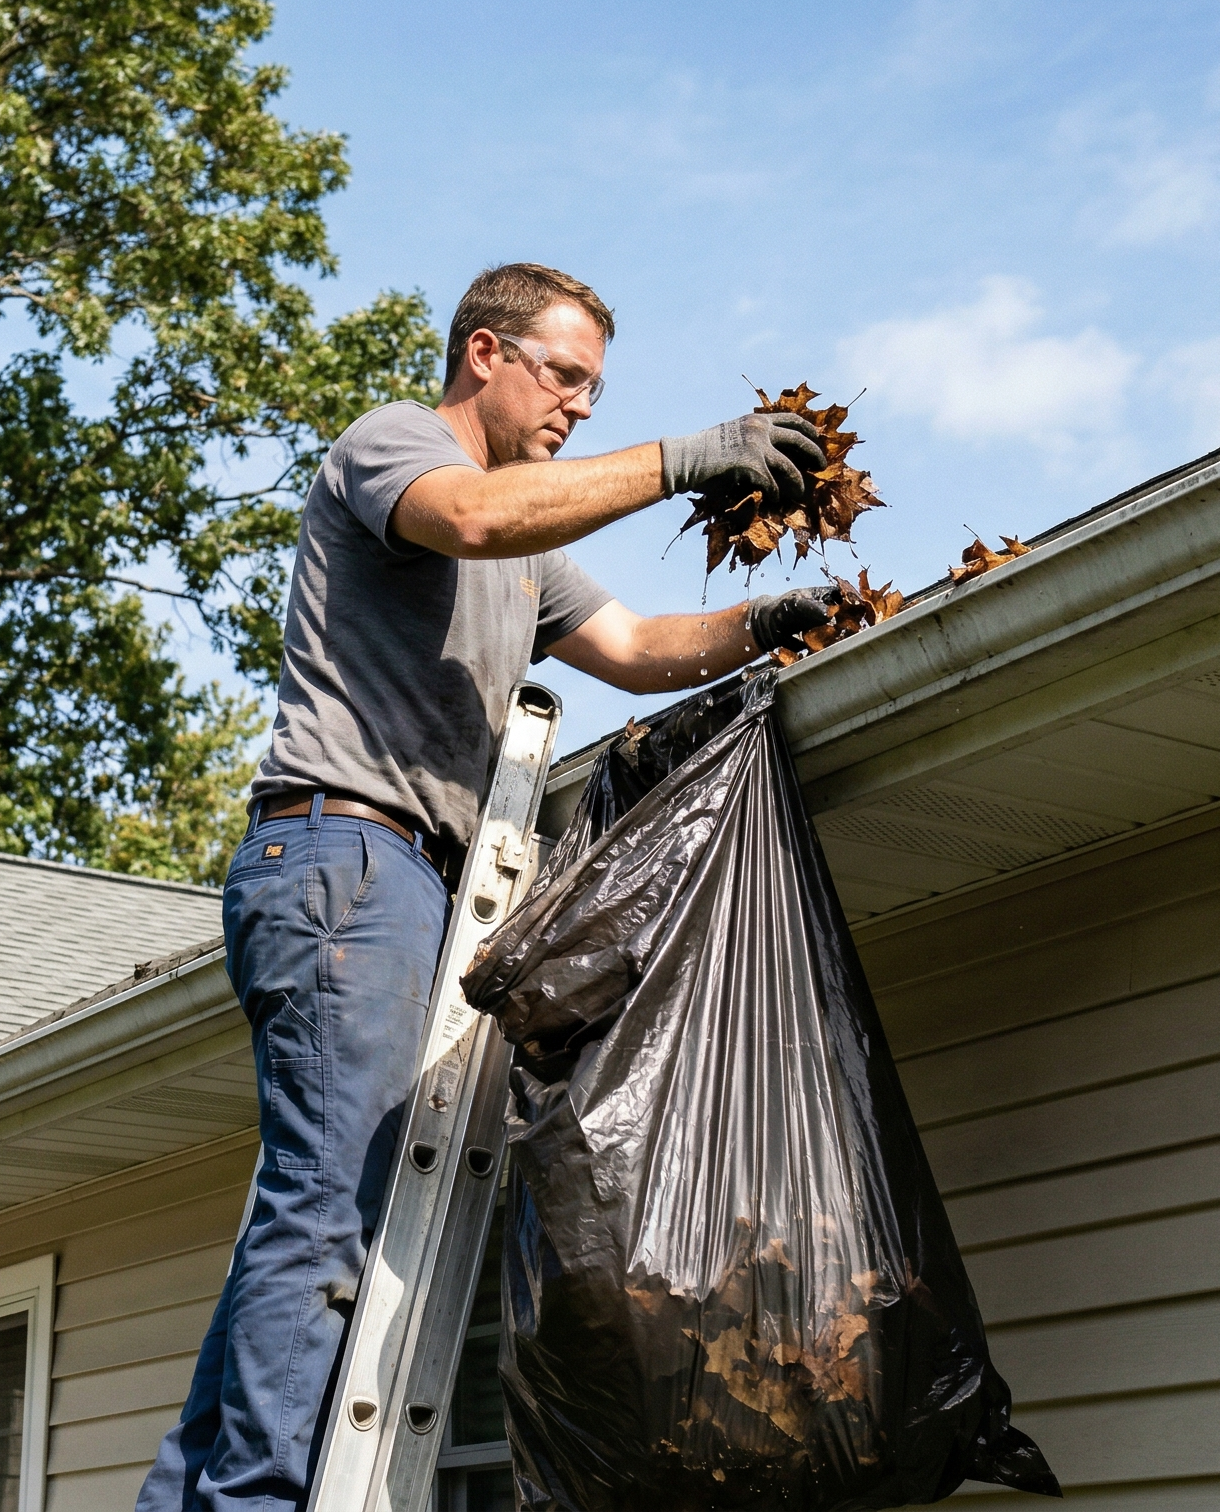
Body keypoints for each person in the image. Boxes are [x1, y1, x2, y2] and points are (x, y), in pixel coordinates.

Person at [136, 263, 843, 1512]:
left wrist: (770, 622)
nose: (577, 405)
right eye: (563, 377)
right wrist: (686, 456)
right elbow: (467, 519)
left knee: (309, 1217)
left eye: (595, 389)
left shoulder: (531, 541)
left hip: (404, 877)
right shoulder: (396, 450)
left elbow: (631, 650)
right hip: (343, 860)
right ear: (484, 354)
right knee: (321, 1220)